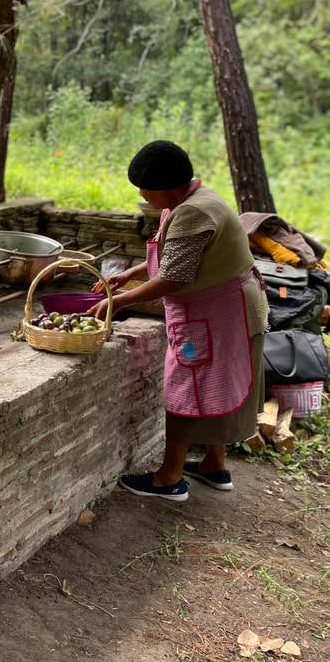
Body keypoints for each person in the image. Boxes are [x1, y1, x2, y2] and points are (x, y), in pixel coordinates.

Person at [89, 140, 269, 501]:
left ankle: (168, 479)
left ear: (164, 187)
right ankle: (213, 466)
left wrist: (119, 301)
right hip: (233, 308)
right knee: (217, 383)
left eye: (143, 188)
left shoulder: (192, 214)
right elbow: (177, 256)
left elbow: (174, 277)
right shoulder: (198, 199)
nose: (141, 195)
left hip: (216, 316)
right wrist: (132, 274)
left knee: (188, 386)